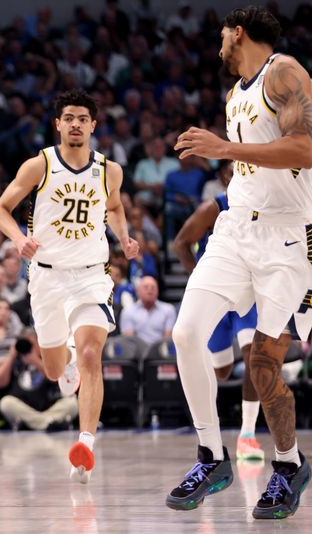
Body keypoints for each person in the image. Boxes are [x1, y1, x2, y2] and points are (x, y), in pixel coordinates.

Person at [167, 6, 312, 519]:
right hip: (237, 230)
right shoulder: (235, 96)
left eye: (222, 35)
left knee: (264, 366)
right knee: (185, 335)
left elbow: (306, 148)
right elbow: (249, 168)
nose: (218, 44)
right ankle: (211, 456)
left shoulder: (284, 72)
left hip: (287, 238)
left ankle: (288, 465)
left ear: (239, 33)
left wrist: (222, 148)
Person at [0, 88, 139, 484]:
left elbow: (115, 207)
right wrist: (18, 240)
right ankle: (67, 359)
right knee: (57, 367)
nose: (75, 124)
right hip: (46, 277)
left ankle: (85, 445)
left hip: (91, 274)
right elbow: (0, 210)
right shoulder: (38, 166)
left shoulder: (110, 170)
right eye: (68, 118)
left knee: (93, 353)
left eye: (83, 119)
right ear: (58, 124)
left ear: (93, 125)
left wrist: (123, 238)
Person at [171, 160, 264, 462]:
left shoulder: (267, 203)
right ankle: (209, 425)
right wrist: (199, 276)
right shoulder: (216, 206)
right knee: (220, 369)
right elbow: (180, 243)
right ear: (225, 177)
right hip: (218, 291)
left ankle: (247, 434)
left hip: (249, 290)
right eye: (234, 171)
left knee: (253, 354)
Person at [119, 276, 176, 344]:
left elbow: (167, 340)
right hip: (136, 353)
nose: (150, 290)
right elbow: (129, 341)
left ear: (158, 290)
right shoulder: (127, 311)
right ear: (138, 291)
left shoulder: (168, 310)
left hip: (161, 352)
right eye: (146, 287)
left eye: (153, 287)